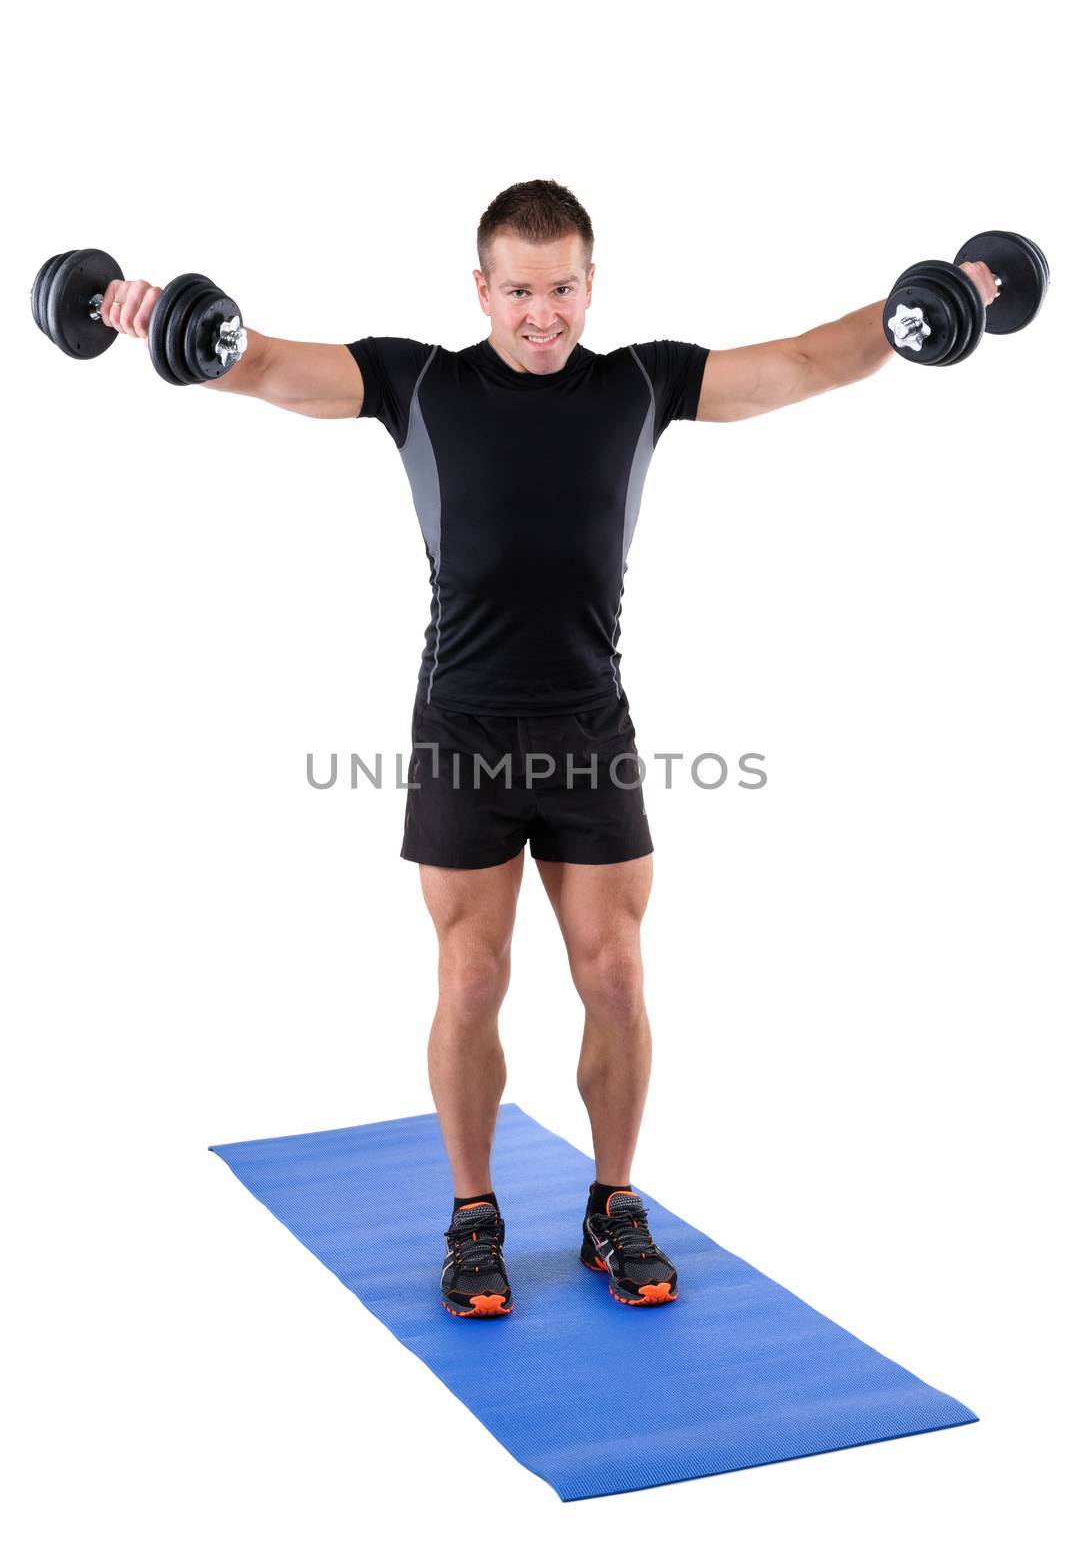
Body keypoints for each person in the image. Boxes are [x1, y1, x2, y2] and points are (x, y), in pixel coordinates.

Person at [96, 179, 999, 1318]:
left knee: (616, 974)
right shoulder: (417, 379)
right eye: (519, 289)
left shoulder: (641, 381)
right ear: (482, 288)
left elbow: (812, 361)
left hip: (589, 725)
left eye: (562, 288)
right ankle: (475, 1216)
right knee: (471, 977)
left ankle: (611, 1202)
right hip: (463, 725)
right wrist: (153, 317)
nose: (542, 312)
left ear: (589, 285)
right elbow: (262, 360)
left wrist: (936, 304)